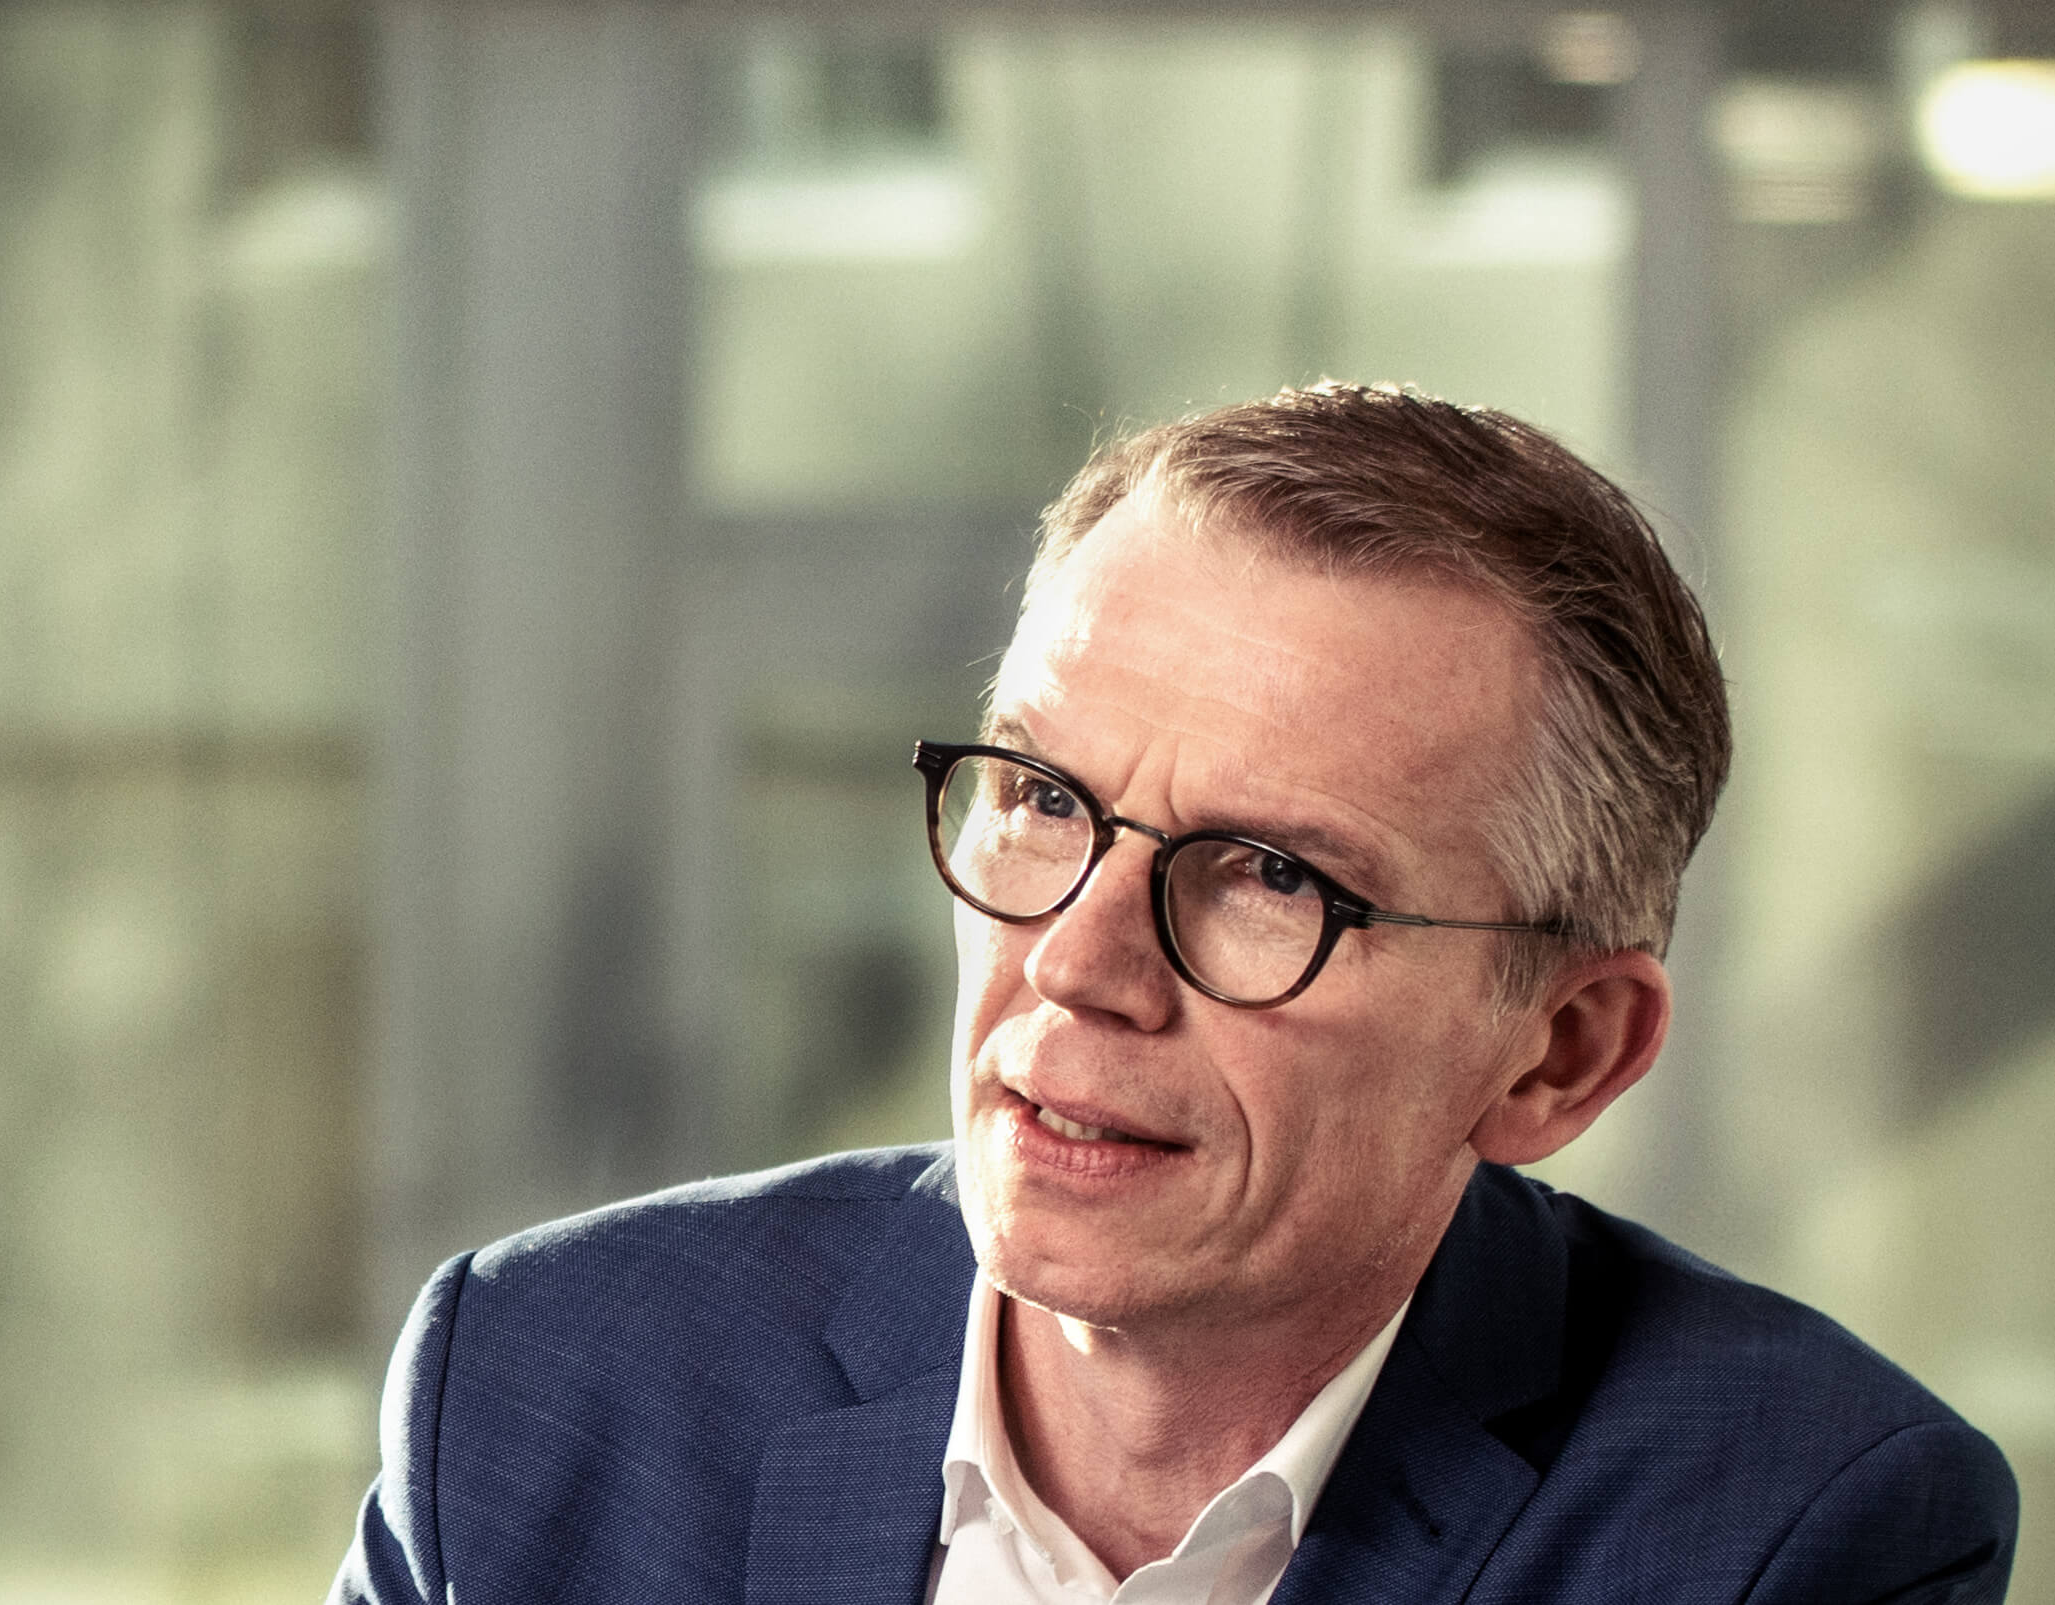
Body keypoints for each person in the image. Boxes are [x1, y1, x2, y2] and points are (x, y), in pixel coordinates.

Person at [330, 384, 2017, 1604]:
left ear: (1556, 1056)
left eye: (1271, 874)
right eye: (1041, 798)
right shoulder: (548, 1387)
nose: (1076, 963)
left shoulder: (1790, 1531)